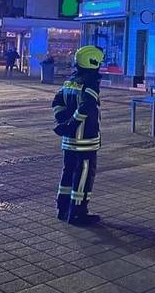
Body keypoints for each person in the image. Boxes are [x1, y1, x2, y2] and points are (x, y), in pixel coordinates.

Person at [51, 45, 104, 226]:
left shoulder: (70, 80)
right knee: (84, 175)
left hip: (69, 140)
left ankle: (63, 208)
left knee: (68, 172)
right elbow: (85, 108)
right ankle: (78, 213)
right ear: (93, 62)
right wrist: (71, 124)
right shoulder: (90, 83)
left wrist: (62, 120)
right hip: (85, 139)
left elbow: (57, 101)